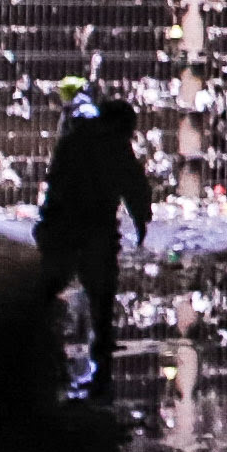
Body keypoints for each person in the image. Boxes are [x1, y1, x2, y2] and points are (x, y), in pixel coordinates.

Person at [33, 84, 155, 397]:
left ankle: (36, 332)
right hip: (95, 226)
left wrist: (49, 220)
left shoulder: (75, 140)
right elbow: (134, 186)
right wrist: (140, 220)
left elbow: (55, 181)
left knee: (53, 281)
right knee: (101, 290)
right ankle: (100, 345)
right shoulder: (115, 145)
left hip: (65, 224)